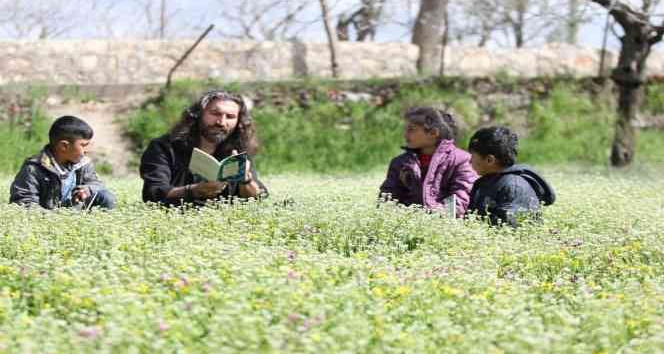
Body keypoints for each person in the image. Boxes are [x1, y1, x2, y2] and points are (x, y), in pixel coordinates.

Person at [140, 89, 268, 206]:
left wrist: (246, 180)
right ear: (198, 114)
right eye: (215, 113)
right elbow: (153, 193)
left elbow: (256, 199)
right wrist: (194, 191)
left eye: (230, 117)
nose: (221, 122)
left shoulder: (237, 149)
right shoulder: (164, 147)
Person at [379, 106, 477, 217]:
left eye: (411, 130)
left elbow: (460, 200)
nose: (405, 135)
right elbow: (388, 197)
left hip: (442, 225)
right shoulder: (400, 163)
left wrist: (432, 217)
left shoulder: (462, 161)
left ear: (433, 133)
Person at [10, 115, 116, 210]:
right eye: (83, 145)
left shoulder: (83, 162)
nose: (87, 150)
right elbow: (23, 201)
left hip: (75, 215)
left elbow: (97, 183)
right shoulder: (34, 168)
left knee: (106, 197)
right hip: (47, 218)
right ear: (64, 146)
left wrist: (87, 189)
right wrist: (51, 218)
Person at [467, 126, 555, 227]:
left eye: (473, 157)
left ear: (490, 160)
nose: (470, 161)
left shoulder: (514, 186)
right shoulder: (483, 182)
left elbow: (508, 227)